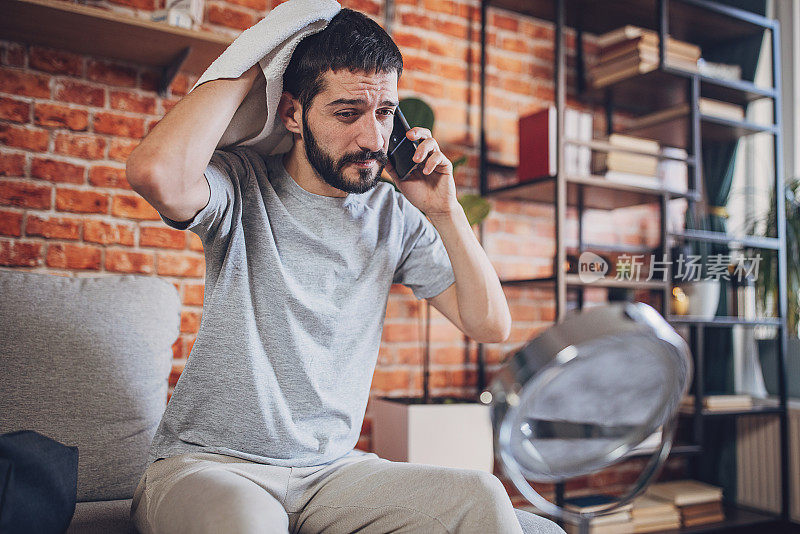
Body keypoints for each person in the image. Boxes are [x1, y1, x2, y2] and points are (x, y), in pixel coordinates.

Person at [126, 7, 563, 534]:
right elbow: (156, 173)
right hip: (211, 466)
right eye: (347, 112)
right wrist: (260, 58)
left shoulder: (394, 215)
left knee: (482, 498)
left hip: (331, 476)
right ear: (292, 113)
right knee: (245, 524)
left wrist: (445, 212)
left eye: (384, 113)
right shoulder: (240, 185)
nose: (374, 140)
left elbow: (491, 325)